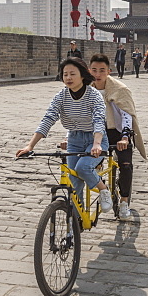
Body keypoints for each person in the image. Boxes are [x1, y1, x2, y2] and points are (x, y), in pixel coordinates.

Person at [16, 58, 112, 211]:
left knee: (83, 168)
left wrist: (97, 143)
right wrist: (30, 145)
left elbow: (99, 119)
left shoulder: (94, 95)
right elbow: (48, 118)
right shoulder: (61, 96)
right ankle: (74, 223)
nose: (68, 78)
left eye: (72, 74)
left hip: (94, 138)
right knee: (74, 182)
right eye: (65, 74)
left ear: (82, 75)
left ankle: (104, 190)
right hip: (74, 139)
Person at [87, 54, 148, 221]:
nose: (97, 74)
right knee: (85, 163)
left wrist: (126, 138)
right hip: (96, 132)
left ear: (109, 72)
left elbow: (126, 114)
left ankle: (124, 201)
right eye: (94, 70)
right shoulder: (86, 89)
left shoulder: (119, 89)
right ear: (88, 70)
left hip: (118, 132)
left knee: (125, 165)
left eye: (101, 70)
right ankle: (102, 189)